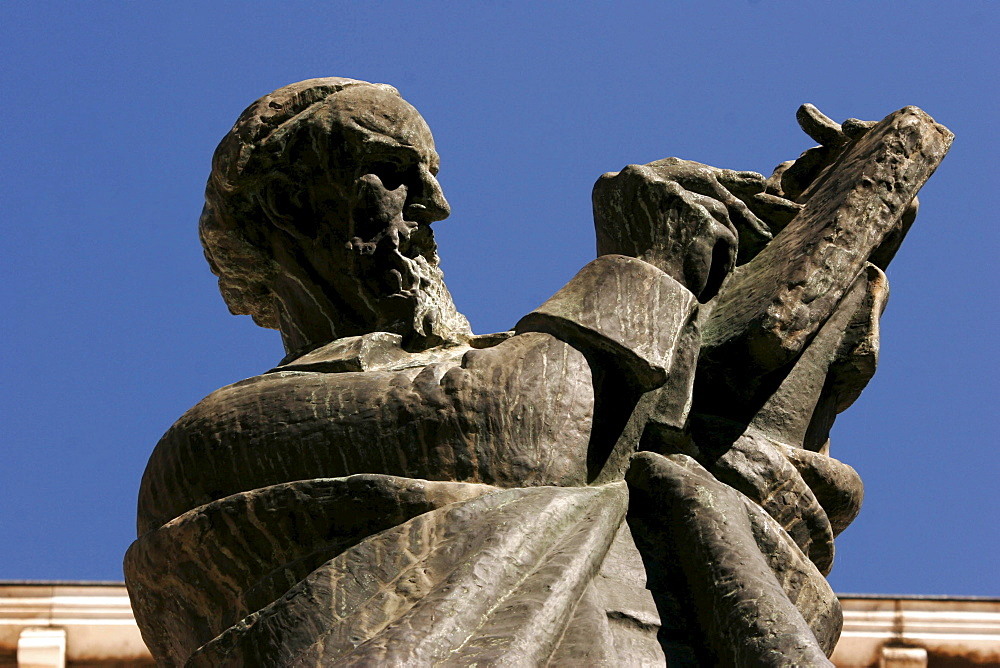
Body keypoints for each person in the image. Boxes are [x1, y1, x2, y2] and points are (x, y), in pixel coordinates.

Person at [125, 78, 942, 666]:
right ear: (287, 207)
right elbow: (523, 438)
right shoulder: (214, 443)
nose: (434, 207)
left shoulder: (558, 370)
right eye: (394, 171)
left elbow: (722, 473)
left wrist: (825, 254)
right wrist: (643, 265)